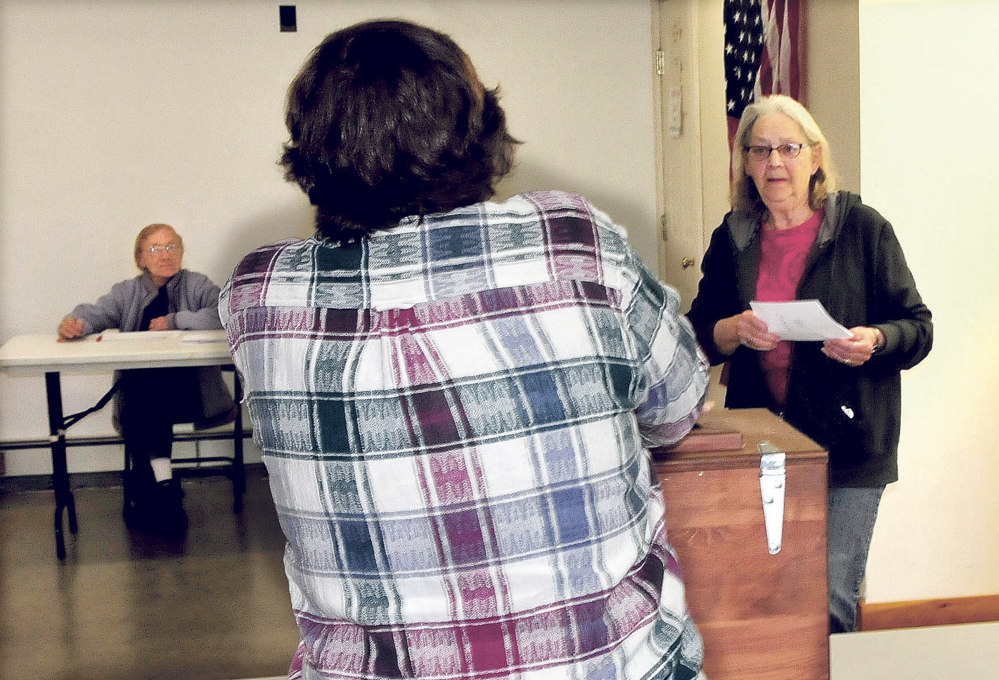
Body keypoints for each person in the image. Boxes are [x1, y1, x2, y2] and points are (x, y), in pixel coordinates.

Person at [221, 19, 709, 680]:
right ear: (480, 131)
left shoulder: (259, 293)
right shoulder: (571, 242)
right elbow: (677, 406)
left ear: (310, 153)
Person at [686, 95, 933, 634]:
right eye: (760, 150)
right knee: (770, 598)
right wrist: (729, 331)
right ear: (746, 164)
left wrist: (875, 338)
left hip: (850, 442)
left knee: (830, 604)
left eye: (788, 148)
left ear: (815, 157)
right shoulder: (734, 237)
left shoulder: (863, 229)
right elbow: (696, 336)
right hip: (766, 447)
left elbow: (918, 328)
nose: (775, 162)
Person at [59, 223, 235, 538]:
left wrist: (175, 320)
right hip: (143, 396)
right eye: (155, 248)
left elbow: (225, 312)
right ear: (140, 257)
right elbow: (96, 313)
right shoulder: (127, 291)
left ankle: (147, 482)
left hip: (190, 391)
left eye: (172, 246)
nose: (165, 254)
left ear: (182, 252)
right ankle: (163, 484)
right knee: (145, 388)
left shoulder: (197, 284)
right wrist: (76, 323)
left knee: (147, 393)